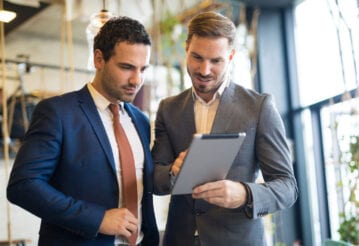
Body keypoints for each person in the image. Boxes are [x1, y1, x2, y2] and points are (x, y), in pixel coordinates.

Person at [7, 16, 159, 246]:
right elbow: (23, 185)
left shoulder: (141, 120)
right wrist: (97, 219)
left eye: (143, 69)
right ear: (99, 59)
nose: (136, 80)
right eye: (127, 67)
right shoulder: (57, 113)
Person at [151, 11, 298, 246]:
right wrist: (172, 172)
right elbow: (155, 179)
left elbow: (287, 186)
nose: (204, 70)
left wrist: (245, 194)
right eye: (197, 57)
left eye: (216, 61)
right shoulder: (169, 109)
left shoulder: (258, 107)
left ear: (230, 56)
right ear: (186, 47)